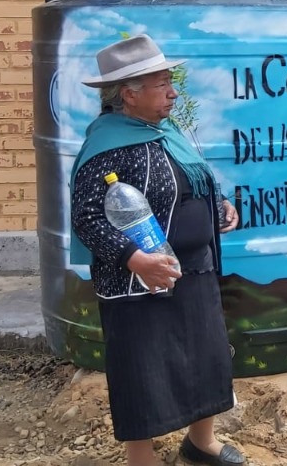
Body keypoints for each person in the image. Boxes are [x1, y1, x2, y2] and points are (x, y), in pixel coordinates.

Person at [69, 35, 246, 466]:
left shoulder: (166, 130)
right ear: (128, 94)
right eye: (162, 84)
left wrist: (218, 202)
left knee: (206, 357)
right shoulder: (107, 146)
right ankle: (141, 458)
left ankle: (200, 442)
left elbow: (194, 175)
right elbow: (87, 218)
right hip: (139, 279)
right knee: (142, 368)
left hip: (193, 269)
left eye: (171, 82)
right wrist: (136, 260)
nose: (173, 92)